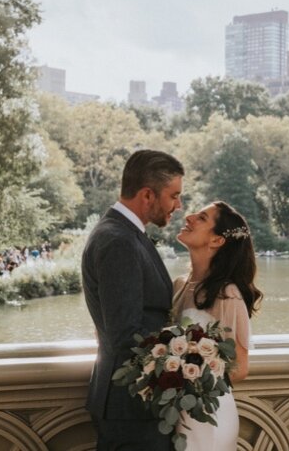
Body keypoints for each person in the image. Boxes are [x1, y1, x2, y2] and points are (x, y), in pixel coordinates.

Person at [83, 149, 186, 451]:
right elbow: (126, 333)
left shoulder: (125, 233)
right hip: (129, 408)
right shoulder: (119, 241)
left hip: (133, 405)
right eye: (173, 196)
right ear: (147, 195)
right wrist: (187, 351)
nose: (178, 205)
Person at [172, 201, 261, 450]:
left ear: (217, 241)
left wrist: (188, 371)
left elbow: (240, 369)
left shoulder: (227, 294)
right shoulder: (179, 286)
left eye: (201, 218)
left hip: (209, 416)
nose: (188, 217)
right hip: (177, 413)